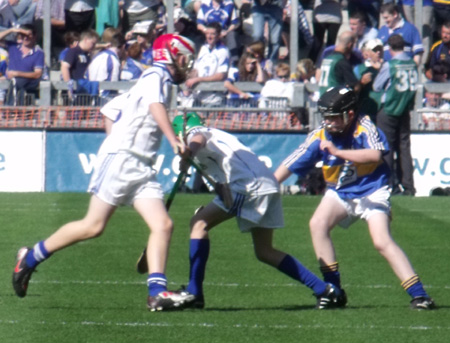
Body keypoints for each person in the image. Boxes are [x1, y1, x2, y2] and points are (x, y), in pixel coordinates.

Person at [12, 34, 197, 312]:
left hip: (141, 165)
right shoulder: (155, 77)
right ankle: (30, 258)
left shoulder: (152, 82)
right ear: (171, 55)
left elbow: (110, 110)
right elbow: (155, 107)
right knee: (93, 226)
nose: (187, 65)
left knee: (163, 225)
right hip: (123, 161)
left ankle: (156, 293)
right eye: (184, 58)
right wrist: (170, 141)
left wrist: (118, 140)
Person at [274, 86, 436, 310]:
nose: (328, 122)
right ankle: (334, 291)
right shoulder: (320, 134)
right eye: (326, 117)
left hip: (372, 190)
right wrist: (269, 185)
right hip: (340, 192)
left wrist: (338, 152)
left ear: (349, 114)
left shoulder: (365, 126)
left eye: (333, 117)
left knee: (381, 240)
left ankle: (420, 295)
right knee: (317, 224)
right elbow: (292, 162)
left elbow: (375, 154)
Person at [169, 112, 347, 310]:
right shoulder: (216, 135)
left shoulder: (196, 132)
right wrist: (189, 159)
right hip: (267, 184)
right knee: (264, 251)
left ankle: (194, 293)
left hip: (248, 186)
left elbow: (198, 139)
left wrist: (189, 150)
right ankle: (325, 290)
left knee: (199, 223)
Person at [373, 34, 417, 196]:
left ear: (389, 48)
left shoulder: (390, 65)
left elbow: (377, 86)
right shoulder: (412, 63)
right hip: (405, 109)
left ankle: (389, 183)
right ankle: (409, 186)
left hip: (389, 109)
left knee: (387, 147)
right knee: (404, 147)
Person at [184, 22, 229, 107]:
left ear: (219, 35)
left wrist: (198, 79)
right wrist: (189, 82)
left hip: (214, 100)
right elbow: (195, 70)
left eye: (212, 34)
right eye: (207, 33)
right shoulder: (203, 48)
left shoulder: (223, 51)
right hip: (197, 98)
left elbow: (221, 76)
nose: (209, 36)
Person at [0, 24, 44, 105]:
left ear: (34, 36)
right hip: (10, 79)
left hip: (27, 81)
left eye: (28, 35)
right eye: (23, 35)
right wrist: (11, 30)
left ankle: (12, 109)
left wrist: (16, 73)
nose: (26, 38)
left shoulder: (39, 53)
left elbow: (38, 74)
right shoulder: (13, 46)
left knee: (16, 81)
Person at [317, 31, 363, 96]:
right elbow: (355, 87)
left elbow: (317, 77)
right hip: (333, 99)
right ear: (350, 45)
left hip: (322, 97)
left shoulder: (327, 58)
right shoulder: (341, 61)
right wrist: (362, 83)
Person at [196, 0, 240, 65]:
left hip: (224, 33)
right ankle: (199, 62)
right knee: (199, 38)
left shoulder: (229, 4)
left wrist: (227, 31)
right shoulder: (205, 4)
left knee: (232, 35)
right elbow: (199, 24)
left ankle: (234, 62)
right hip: (208, 32)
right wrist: (207, 31)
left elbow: (234, 23)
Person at [61, 29, 99, 100]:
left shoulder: (87, 54)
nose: (93, 46)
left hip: (84, 91)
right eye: (92, 43)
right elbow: (64, 67)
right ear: (86, 39)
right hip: (74, 91)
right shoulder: (73, 51)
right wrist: (69, 87)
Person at [353, 38, 384, 121]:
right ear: (367, 52)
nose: (378, 53)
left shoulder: (387, 67)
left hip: (383, 110)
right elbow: (354, 89)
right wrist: (362, 82)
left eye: (380, 50)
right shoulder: (360, 69)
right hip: (367, 109)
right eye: (375, 50)